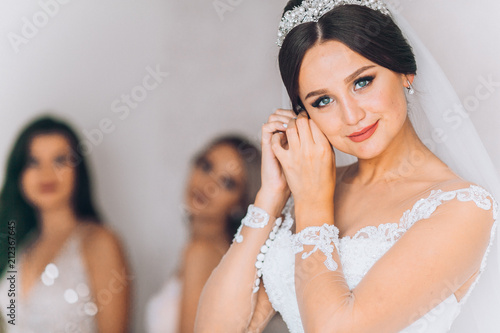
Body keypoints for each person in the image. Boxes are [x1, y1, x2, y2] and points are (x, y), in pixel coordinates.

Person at [195, 1, 500, 332]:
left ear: (404, 72)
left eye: (362, 82)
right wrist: (271, 196)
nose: (351, 116)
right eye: (323, 101)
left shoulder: (463, 208)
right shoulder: (310, 189)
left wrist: (313, 204)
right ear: (304, 116)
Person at [0, 116, 131, 333]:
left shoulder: (99, 242)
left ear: (78, 170)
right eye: (33, 161)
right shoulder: (20, 245)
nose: (46, 174)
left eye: (60, 160)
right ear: (19, 173)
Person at [146, 135, 287, 333]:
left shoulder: (201, 252)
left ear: (241, 201)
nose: (208, 186)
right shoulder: (223, 253)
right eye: (206, 167)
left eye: (227, 183)